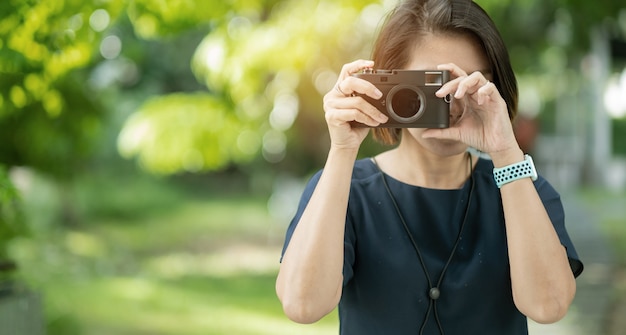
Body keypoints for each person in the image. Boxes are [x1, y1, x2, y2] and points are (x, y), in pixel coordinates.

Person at [275, 0, 584, 334]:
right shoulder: (346, 191)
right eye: (432, 84)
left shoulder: (523, 190)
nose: (451, 104)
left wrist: (505, 151)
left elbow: (548, 306)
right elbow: (302, 305)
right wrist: (343, 149)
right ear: (387, 84)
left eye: (469, 84)